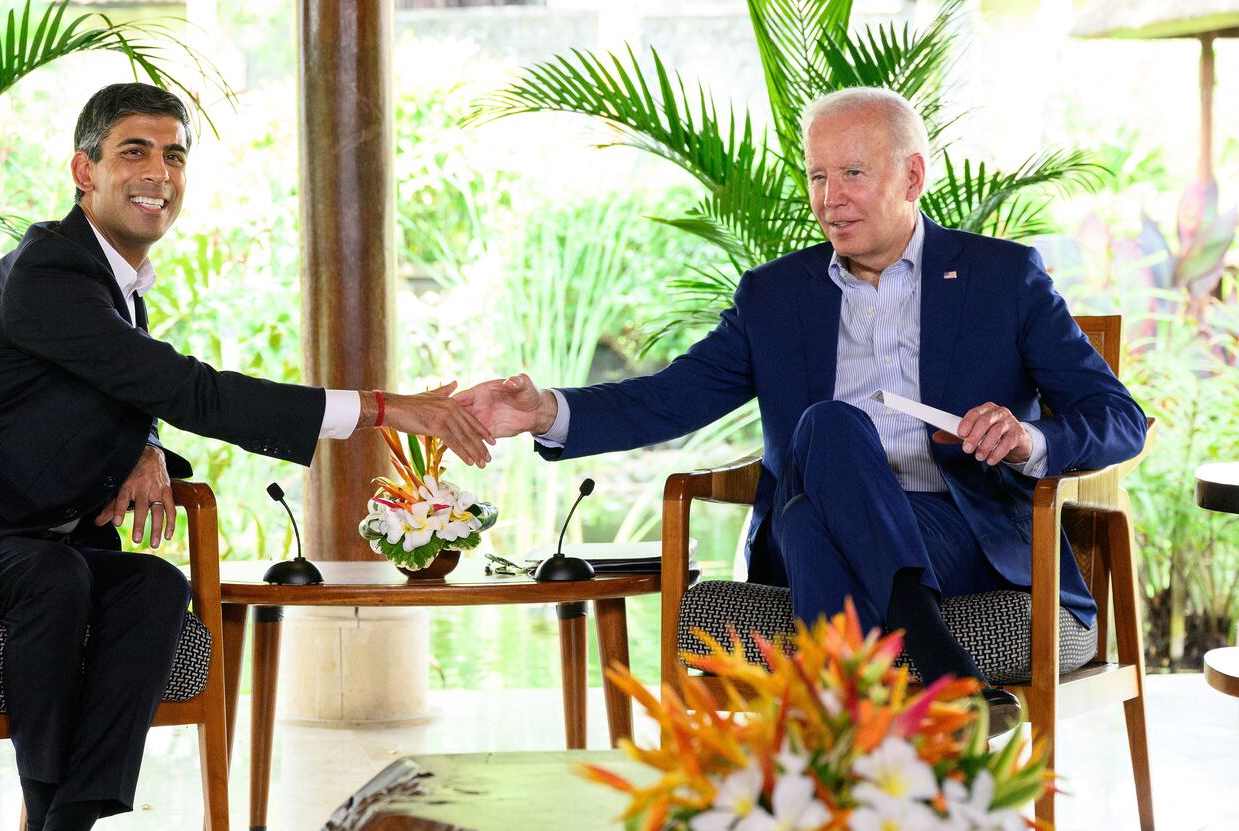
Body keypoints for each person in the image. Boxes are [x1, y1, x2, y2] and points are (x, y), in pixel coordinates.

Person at [0, 83, 492, 831]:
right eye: (135, 151)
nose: (160, 171)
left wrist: (148, 446)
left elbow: (121, 388)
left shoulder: (114, 285)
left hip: (33, 546)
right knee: (57, 577)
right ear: (82, 170)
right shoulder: (49, 268)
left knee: (155, 586)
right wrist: (382, 408)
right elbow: (185, 386)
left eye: (175, 154)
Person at [458, 86, 1146, 735]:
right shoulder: (776, 295)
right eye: (817, 177)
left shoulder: (1004, 278)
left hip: (960, 532)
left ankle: (838, 779)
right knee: (831, 426)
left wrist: (1029, 438)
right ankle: (939, 666)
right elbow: (669, 397)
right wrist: (544, 410)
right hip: (828, 533)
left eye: (851, 173)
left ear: (912, 177)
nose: (830, 199)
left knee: (813, 511)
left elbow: (1118, 416)